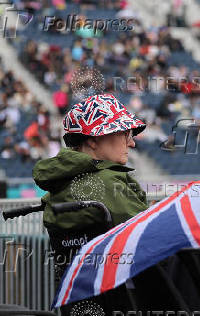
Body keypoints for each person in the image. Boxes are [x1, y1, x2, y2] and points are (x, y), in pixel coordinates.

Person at [32, 93, 149, 315]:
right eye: (125, 133)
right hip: (129, 302)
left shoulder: (61, 186)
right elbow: (151, 234)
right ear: (93, 139)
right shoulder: (106, 182)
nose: (131, 142)